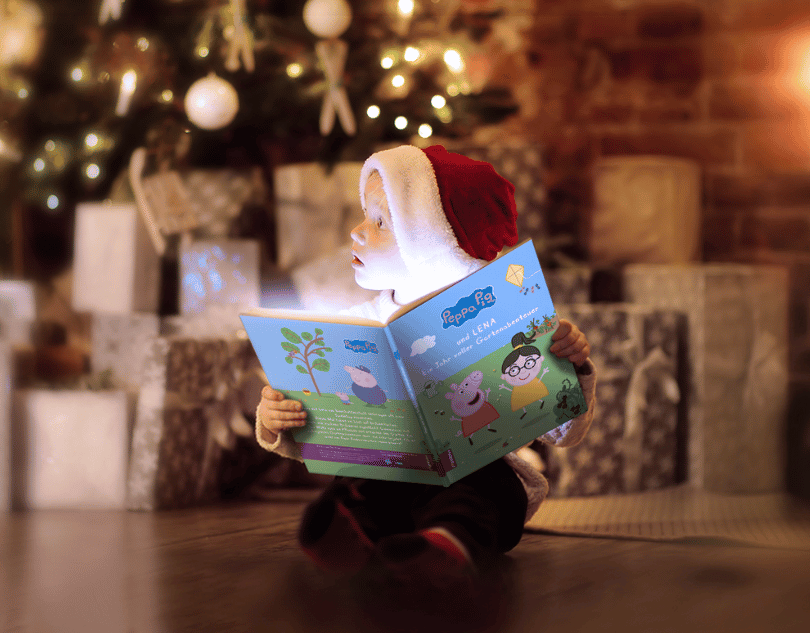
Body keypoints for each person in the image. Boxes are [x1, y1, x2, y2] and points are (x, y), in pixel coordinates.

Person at [255, 144, 597, 590]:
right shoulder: (358, 324)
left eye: (381, 222)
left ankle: (445, 544)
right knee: (364, 480)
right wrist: (277, 415)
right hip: (390, 472)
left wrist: (572, 365)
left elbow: (563, 432)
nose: (357, 231)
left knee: (488, 486)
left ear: (430, 240)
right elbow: (326, 418)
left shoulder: (500, 312)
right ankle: (349, 531)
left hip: (478, 472)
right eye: (365, 216)